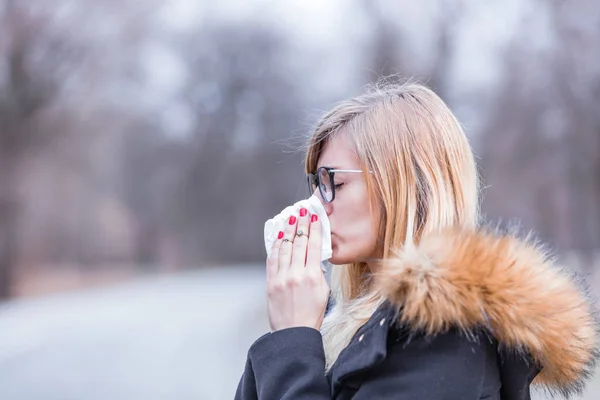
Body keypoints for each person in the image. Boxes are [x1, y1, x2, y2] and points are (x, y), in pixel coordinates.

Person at [235, 80, 598, 399]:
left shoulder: (448, 337)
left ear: (405, 184)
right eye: (316, 184)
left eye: (335, 183)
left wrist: (293, 338)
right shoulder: (337, 319)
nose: (317, 205)